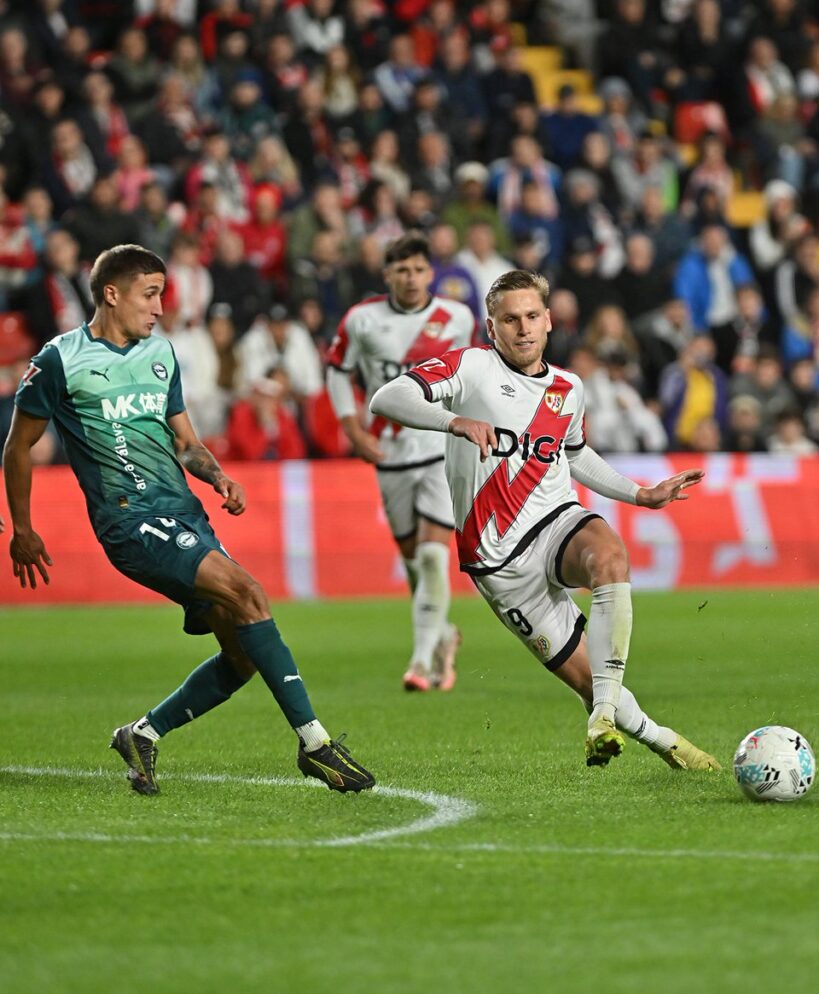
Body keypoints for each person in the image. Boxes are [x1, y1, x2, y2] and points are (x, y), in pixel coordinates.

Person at [3, 244, 374, 797]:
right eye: (150, 294)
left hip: (186, 515)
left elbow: (188, 443)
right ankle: (315, 744)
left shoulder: (161, 356)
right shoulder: (61, 360)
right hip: (131, 523)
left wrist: (217, 475)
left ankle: (142, 734)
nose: (159, 308)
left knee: (242, 655)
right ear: (112, 293)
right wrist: (24, 529)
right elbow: (18, 446)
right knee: (250, 594)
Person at [370, 268, 720, 771]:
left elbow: (574, 456)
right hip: (500, 565)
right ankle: (666, 742)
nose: (523, 328)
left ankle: (599, 716)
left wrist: (640, 494)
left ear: (549, 320)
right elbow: (387, 398)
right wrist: (455, 420)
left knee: (610, 556)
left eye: (532, 316)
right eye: (509, 319)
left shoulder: (568, 388)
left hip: (555, 520)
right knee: (588, 677)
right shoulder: (470, 368)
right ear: (492, 328)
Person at [327, 232, 477, 692]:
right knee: (415, 565)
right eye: (401, 270)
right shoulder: (362, 320)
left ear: (431, 273)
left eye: (418, 269)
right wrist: (352, 429)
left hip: (439, 448)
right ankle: (444, 638)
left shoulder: (455, 317)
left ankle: (420, 664)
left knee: (433, 558)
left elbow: (471, 374)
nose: (411, 278)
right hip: (389, 452)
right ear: (386, 274)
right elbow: (337, 370)